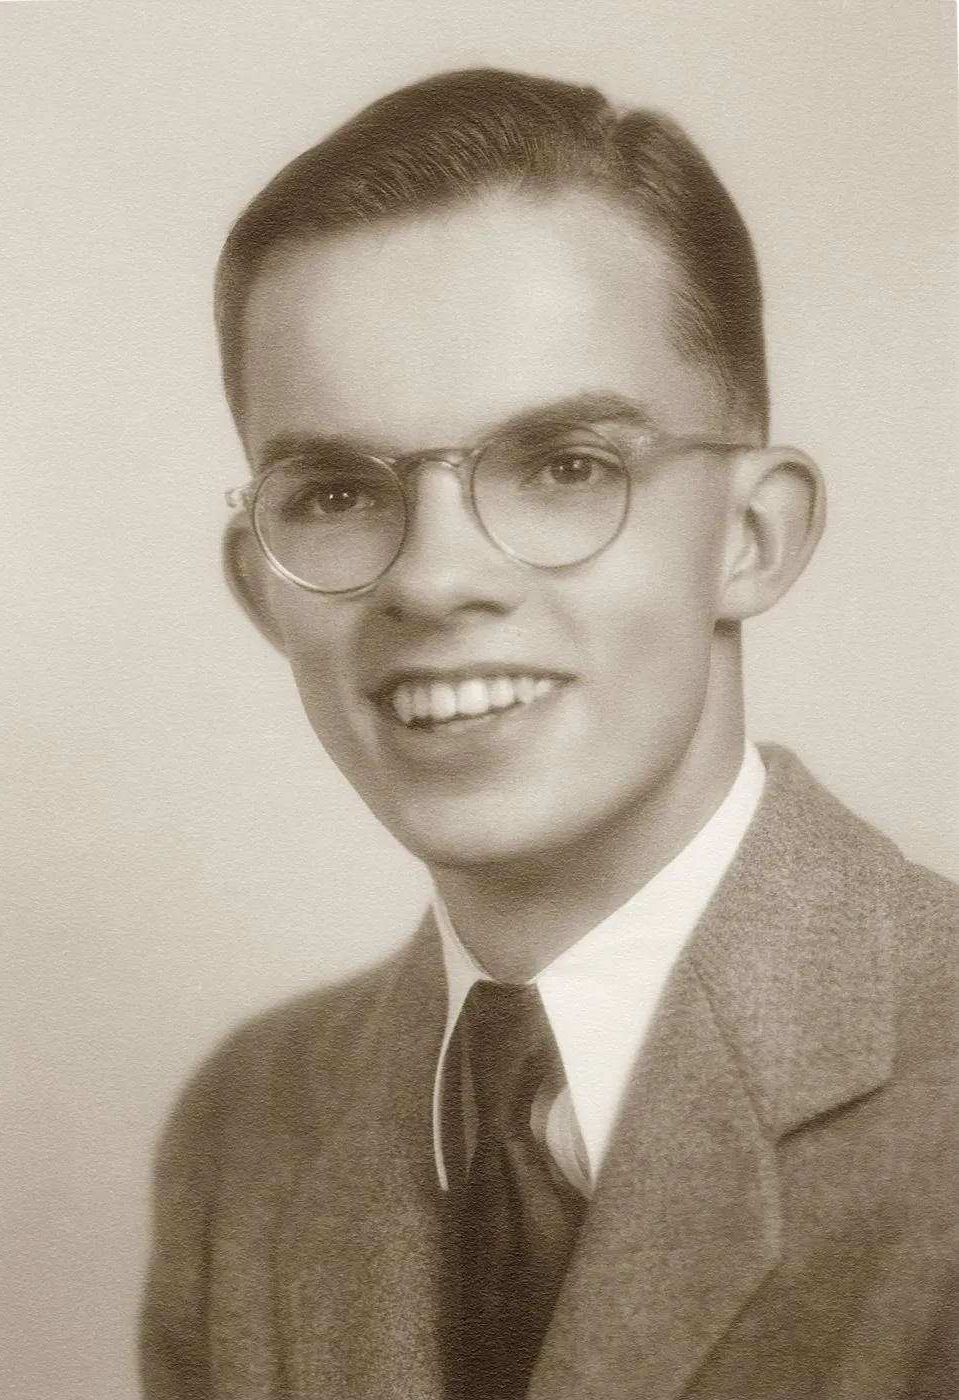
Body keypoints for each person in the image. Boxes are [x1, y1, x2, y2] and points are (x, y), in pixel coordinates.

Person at [140, 69, 958, 1400]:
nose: (435, 580)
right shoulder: (246, 1128)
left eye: (562, 466)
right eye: (338, 492)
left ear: (748, 540)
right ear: (262, 586)